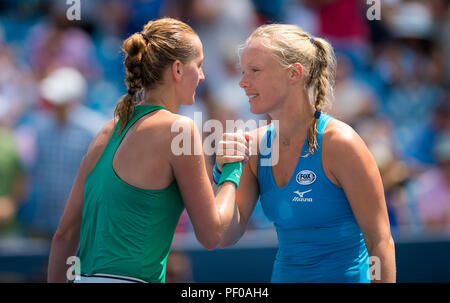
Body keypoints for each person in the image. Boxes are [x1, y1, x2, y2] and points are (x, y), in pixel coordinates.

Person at [47, 18, 248, 283]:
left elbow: (64, 235)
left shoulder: (106, 131)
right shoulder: (180, 129)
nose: (202, 75)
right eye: (198, 65)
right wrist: (231, 170)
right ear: (177, 69)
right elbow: (212, 234)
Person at [215, 24, 396, 283]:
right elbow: (223, 236)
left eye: (254, 71)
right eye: (243, 72)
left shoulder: (340, 143)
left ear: (294, 73)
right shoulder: (253, 146)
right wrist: (224, 174)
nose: (243, 83)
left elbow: (380, 241)